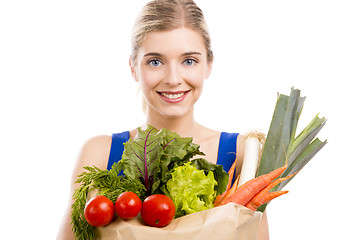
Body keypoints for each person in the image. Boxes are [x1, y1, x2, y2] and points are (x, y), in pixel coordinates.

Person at [57, 0, 269, 239]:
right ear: (133, 68)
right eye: (155, 62)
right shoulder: (99, 152)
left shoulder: (242, 153)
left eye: (189, 61)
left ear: (208, 65)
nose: (173, 78)